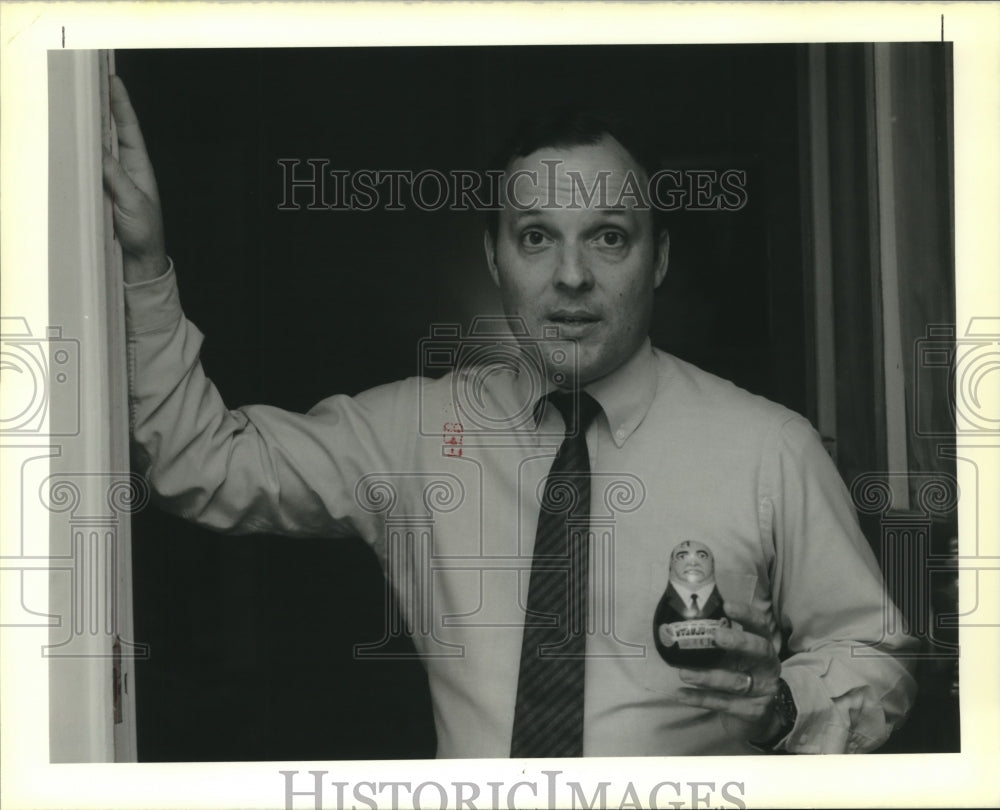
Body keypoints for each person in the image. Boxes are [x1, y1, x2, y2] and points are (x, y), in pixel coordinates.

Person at [103, 75, 918, 756]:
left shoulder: (768, 447)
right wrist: (142, 264)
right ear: (494, 257)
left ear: (659, 256)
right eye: (536, 237)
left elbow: (875, 656)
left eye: (608, 237)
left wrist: (784, 704)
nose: (571, 276)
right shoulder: (411, 437)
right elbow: (198, 462)